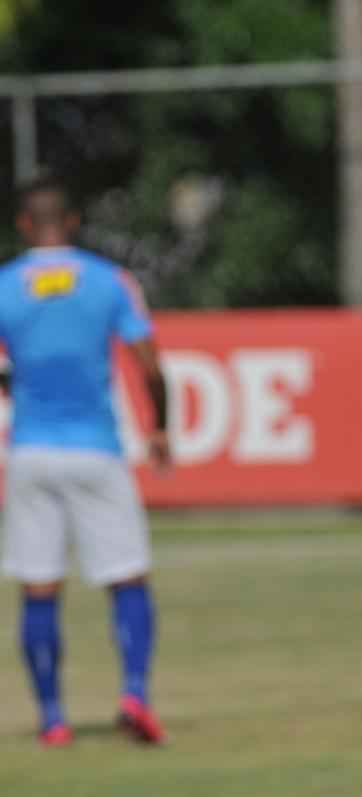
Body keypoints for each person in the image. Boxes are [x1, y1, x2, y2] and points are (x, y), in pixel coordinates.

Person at [0, 175, 170, 746]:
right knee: (127, 577)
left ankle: (52, 718)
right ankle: (135, 694)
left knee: (40, 586)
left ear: (25, 225)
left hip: (29, 453)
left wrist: (13, 384)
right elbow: (147, 362)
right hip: (96, 450)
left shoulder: (4, 286)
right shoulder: (108, 281)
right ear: (71, 222)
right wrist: (161, 427)